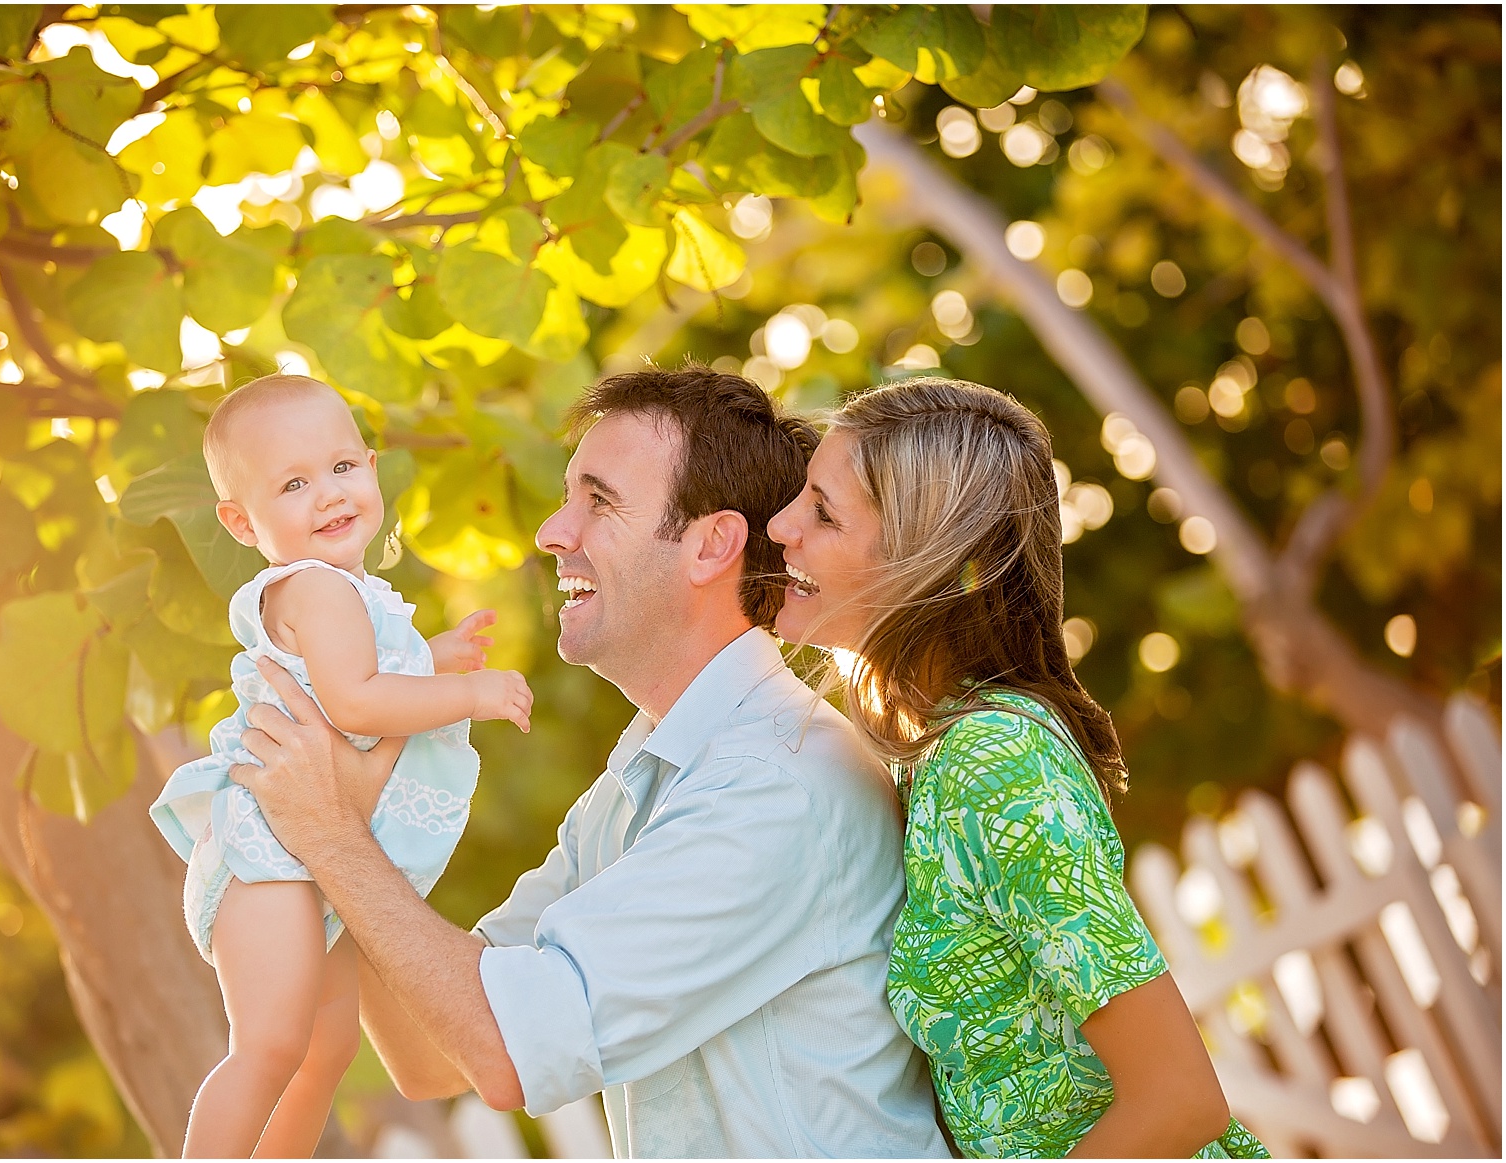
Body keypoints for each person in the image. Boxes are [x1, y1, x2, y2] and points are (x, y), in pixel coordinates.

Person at [229, 365, 952, 1157]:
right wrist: (328, 799)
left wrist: (331, 831)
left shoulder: (774, 782)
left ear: (712, 544)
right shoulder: (643, 780)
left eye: (598, 501)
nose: (552, 531)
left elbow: (506, 1052)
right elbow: (429, 1051)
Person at [766, 376, 1268, 1158]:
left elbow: (1180, 1101)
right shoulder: (923, 753)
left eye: (825, 512)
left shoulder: (993, 764)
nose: (781, 524)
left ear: (928, 566)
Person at [148, 374, 533, 1157]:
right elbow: (356, 703)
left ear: (372, 465)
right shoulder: (314, 588)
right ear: (240, 520)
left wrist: (431, 657)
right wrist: (469, 690)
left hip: (303, 847)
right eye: (293, 484)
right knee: (269, 1045)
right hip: (270, 849)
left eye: (342, 468)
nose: (327, 494)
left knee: (323, 1054)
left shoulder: (352, 593)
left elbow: (364, 676)